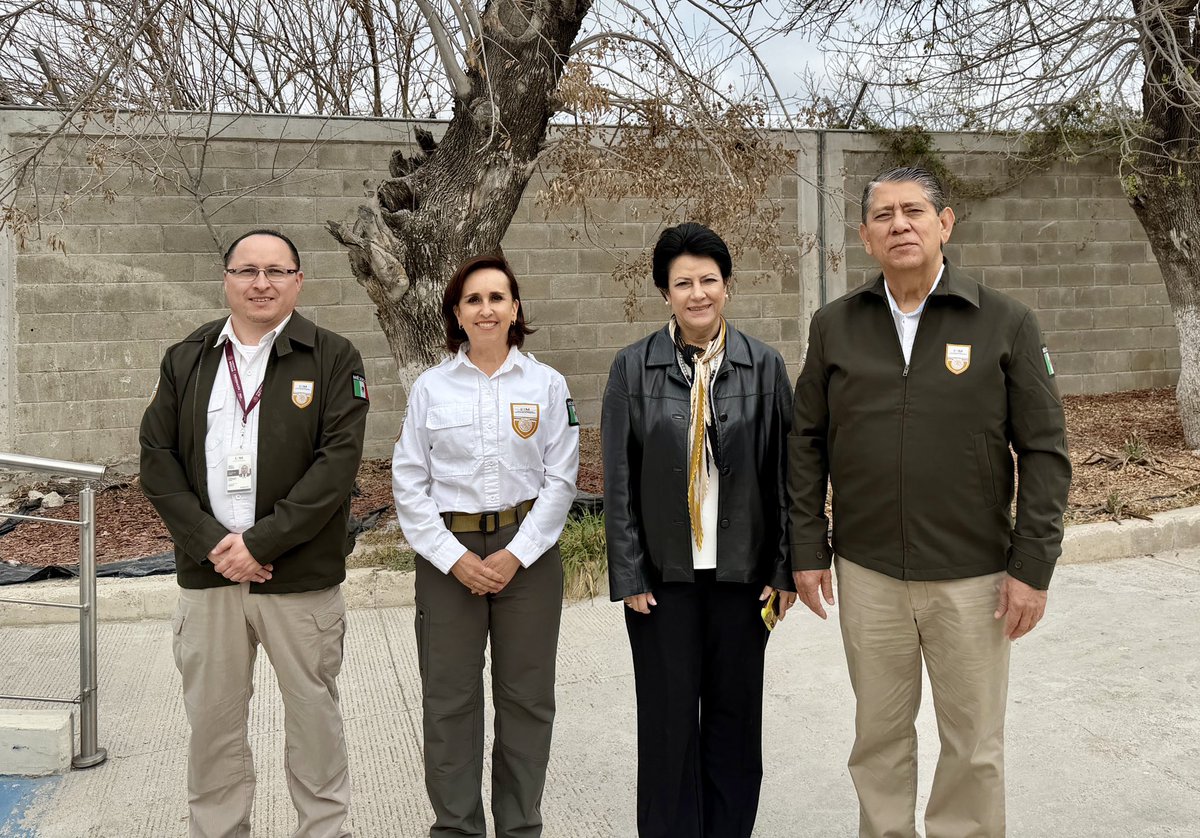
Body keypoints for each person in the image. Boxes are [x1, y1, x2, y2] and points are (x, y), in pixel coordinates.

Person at [789, 166, 1072, 838]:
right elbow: (805, 442)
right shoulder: (834, 326)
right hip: (869, 572)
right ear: (865, 237)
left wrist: (1032, 566)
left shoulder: (1005, 322)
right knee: (878, 741)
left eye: (913, 211)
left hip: (975, 576)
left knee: (973, 747)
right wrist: (807, 545)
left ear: (945, 224)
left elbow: (1044, 452)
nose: (900, 225)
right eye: (883, 216)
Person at [140, 229, 370, 838]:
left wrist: (259, 545)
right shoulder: (187, 358)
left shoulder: (333, 356)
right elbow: (156, 459)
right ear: (226, 280)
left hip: (298, 579)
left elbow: (336, 467)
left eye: (276, 271)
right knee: (212, 727)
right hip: (209, 575)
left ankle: (323, 830)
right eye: (247, 270)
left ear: (298, 281)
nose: (261, 283)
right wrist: (212, 544)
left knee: (314, 720)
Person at [602, 222, 797, 838]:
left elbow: (786, 476)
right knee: (668, 729)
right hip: (664, 582)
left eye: (708, 280)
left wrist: (784, 568)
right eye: (682, 283)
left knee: (734, 726)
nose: (697, 293)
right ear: (665, 293)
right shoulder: (633, 368)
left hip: (743, 579)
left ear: (727, 285)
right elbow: (618, 481)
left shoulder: (764, 366)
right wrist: (629, 573)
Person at [391, 254, 580, 838]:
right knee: (449, 701)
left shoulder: (547, 384)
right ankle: (457, 828)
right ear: (457, 313)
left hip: (528, 555)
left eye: (497, 297)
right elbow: (408, 480)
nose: (486, 309)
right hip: (449, 556)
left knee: (526, 700)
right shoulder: (431, 387)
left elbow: (561, 479)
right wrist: (454, 558)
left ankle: (519, 826)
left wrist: (517, 553)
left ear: (515, 308)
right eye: (473, 299)